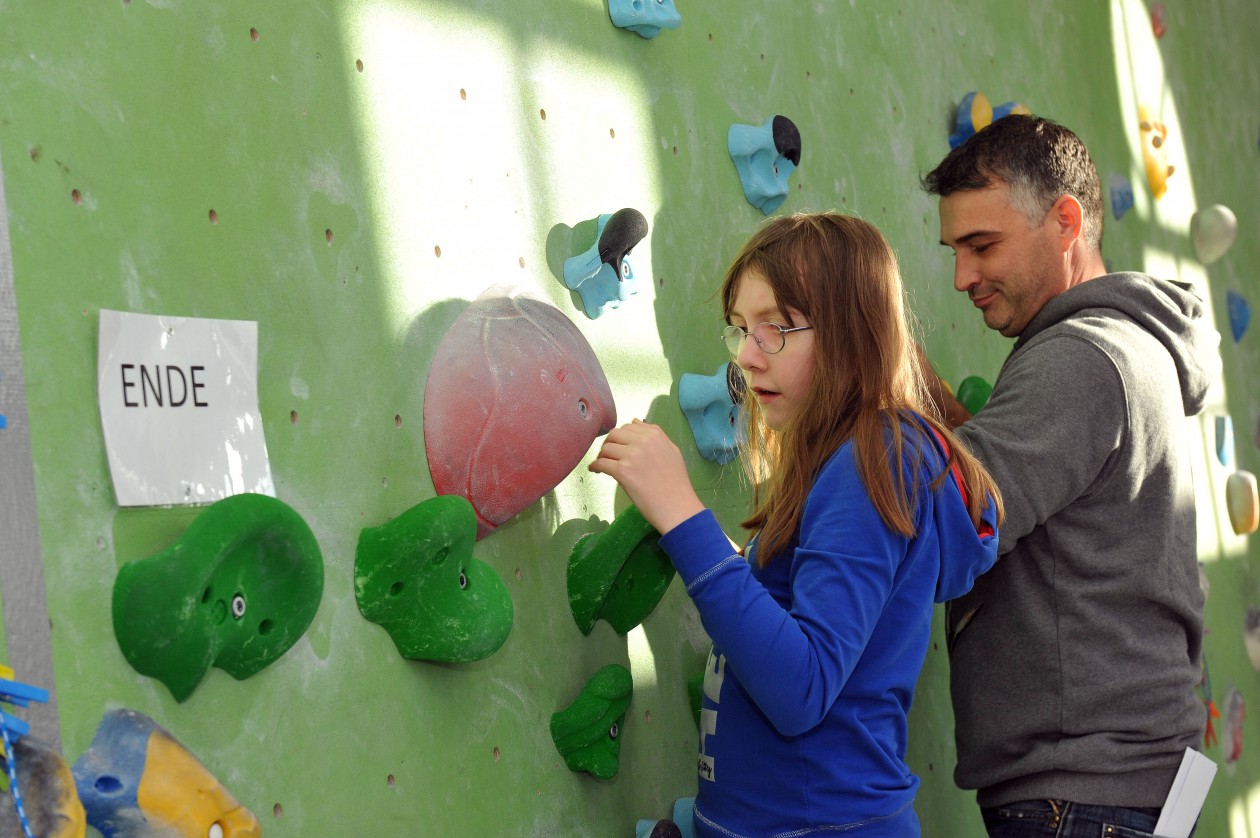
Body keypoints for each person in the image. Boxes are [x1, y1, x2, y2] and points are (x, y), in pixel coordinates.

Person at [589, 212, 1003, 836]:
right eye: (739, 330)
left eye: (775, 330)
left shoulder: (874, 454)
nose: (747, 359)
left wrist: (683, 515)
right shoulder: (846, 460)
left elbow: (802, 687)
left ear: (851, 333)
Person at [916, 114, 1219, 837]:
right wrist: (912, 386)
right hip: (1125, 786)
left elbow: (953, 526)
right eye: (953, 250)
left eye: (982, 246)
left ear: (1066, 221)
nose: (962, 277)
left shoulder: (1077, 360)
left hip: (1080, 796)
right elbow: (1014, 489)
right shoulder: (1127, 345)